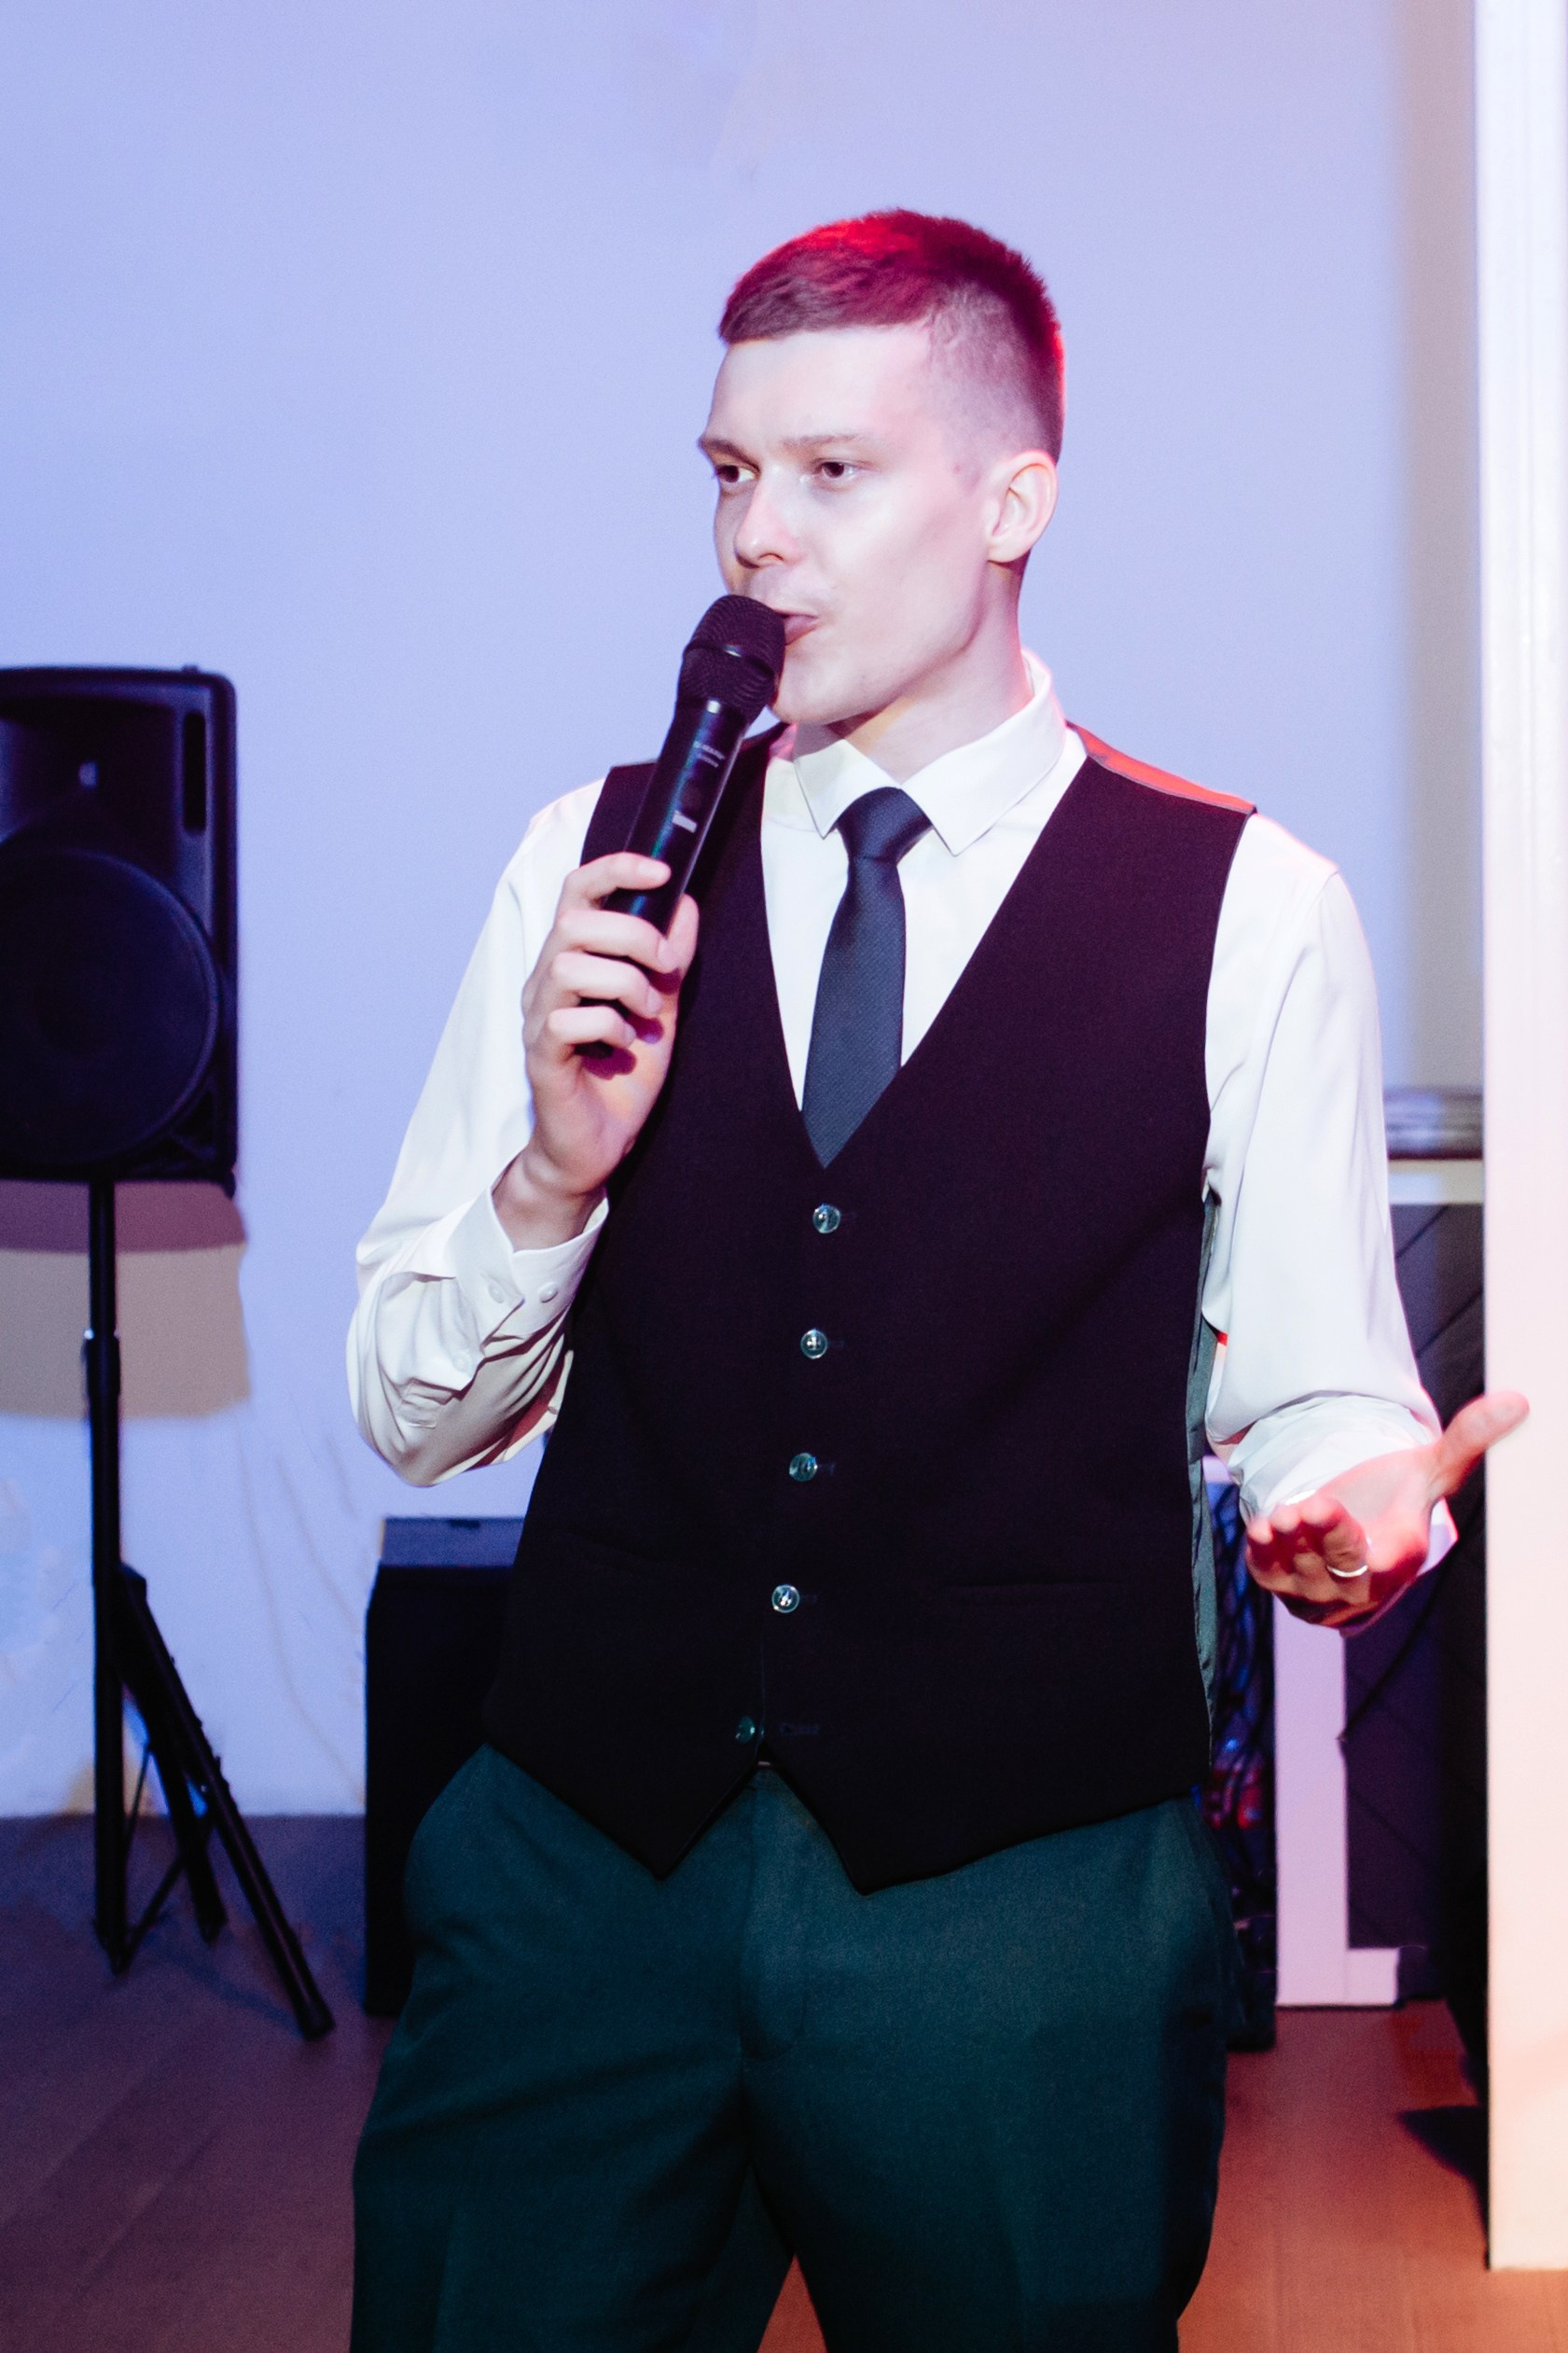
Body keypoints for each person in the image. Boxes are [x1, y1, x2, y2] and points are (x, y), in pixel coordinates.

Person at [348, 210, 1524, 2352]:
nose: (755, 536)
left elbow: (1321, 1386)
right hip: (581, 1884)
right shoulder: (584, 861)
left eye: (830, 472)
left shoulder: (1246, 907)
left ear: (1011, 503)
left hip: (1021, 1916)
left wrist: (1352, 1507)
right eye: (729, 472)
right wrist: (550, 1173)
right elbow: (415, 1414)